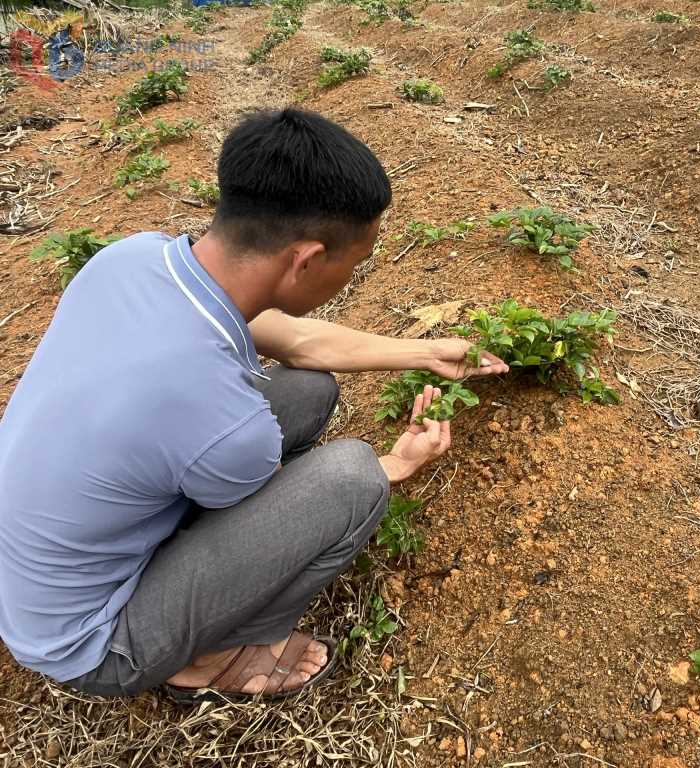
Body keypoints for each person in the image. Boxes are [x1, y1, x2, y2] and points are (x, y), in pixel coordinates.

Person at [0, 108, 508, 701]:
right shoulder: (223, 422)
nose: (354, 273)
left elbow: (300, 343)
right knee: (349, 479)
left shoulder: (134, 258)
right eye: (356, 261)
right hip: (92, 645)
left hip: (33, 576)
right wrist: (393, 466)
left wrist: (426, 353)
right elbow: (267, 492)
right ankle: (220, 656)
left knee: (308, 388)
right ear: (308, 259)